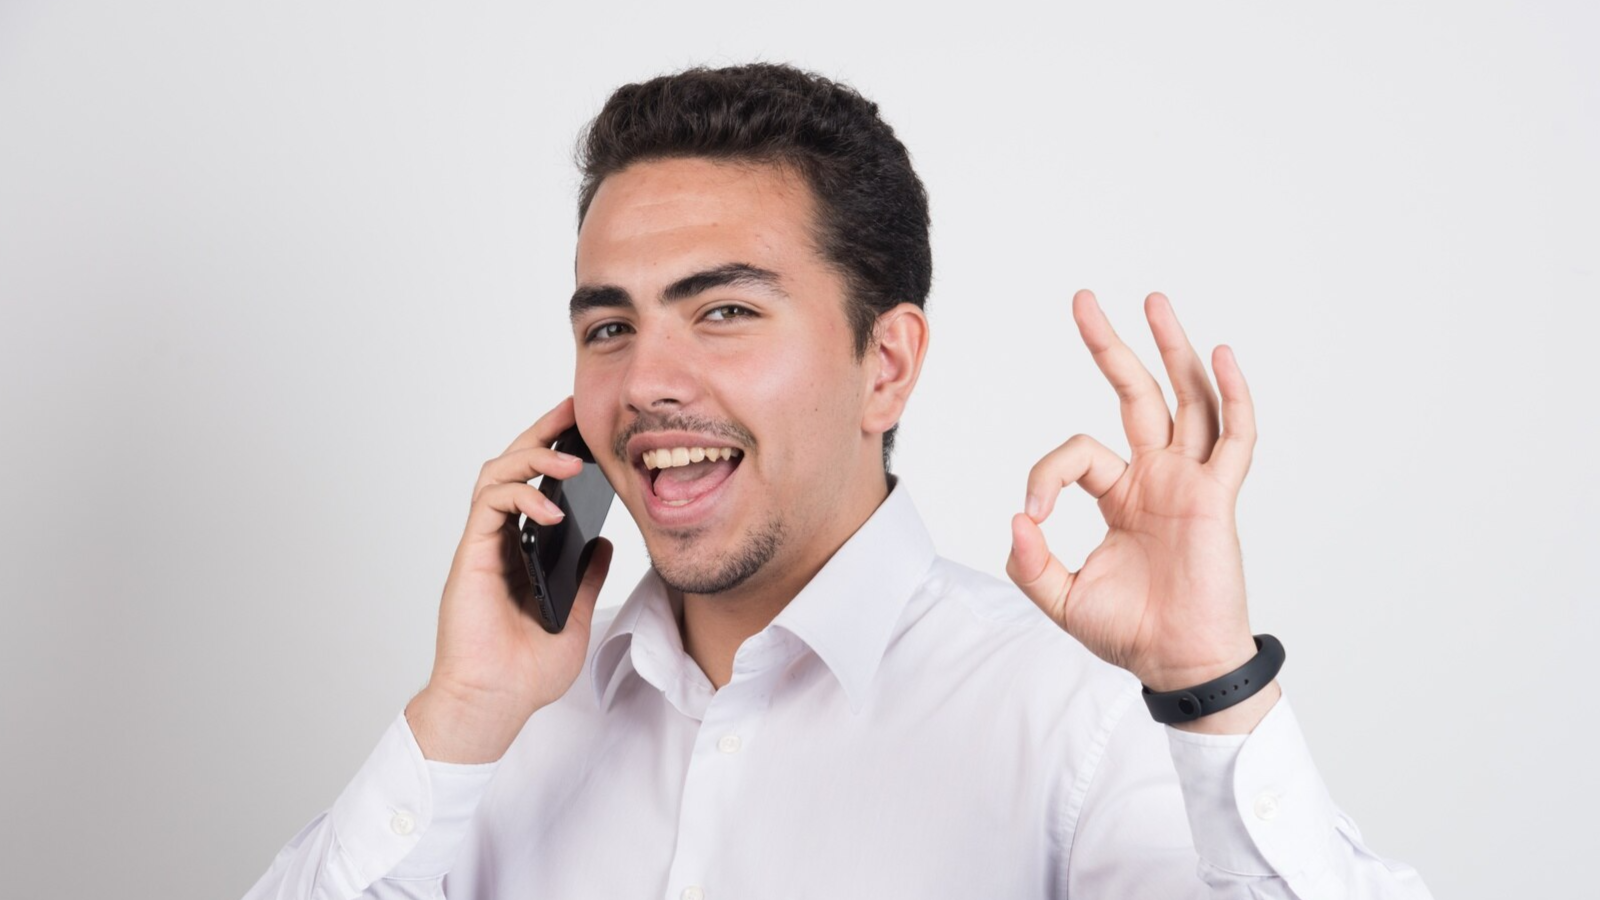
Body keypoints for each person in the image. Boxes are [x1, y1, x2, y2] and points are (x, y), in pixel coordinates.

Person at [242, 63, 1434, 899]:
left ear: (886, 365)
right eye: (608, 328)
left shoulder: (1073, 719)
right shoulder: (504, 733)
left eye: (722, 312)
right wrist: (460, 717)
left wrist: (1209, 687)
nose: (647, 381)